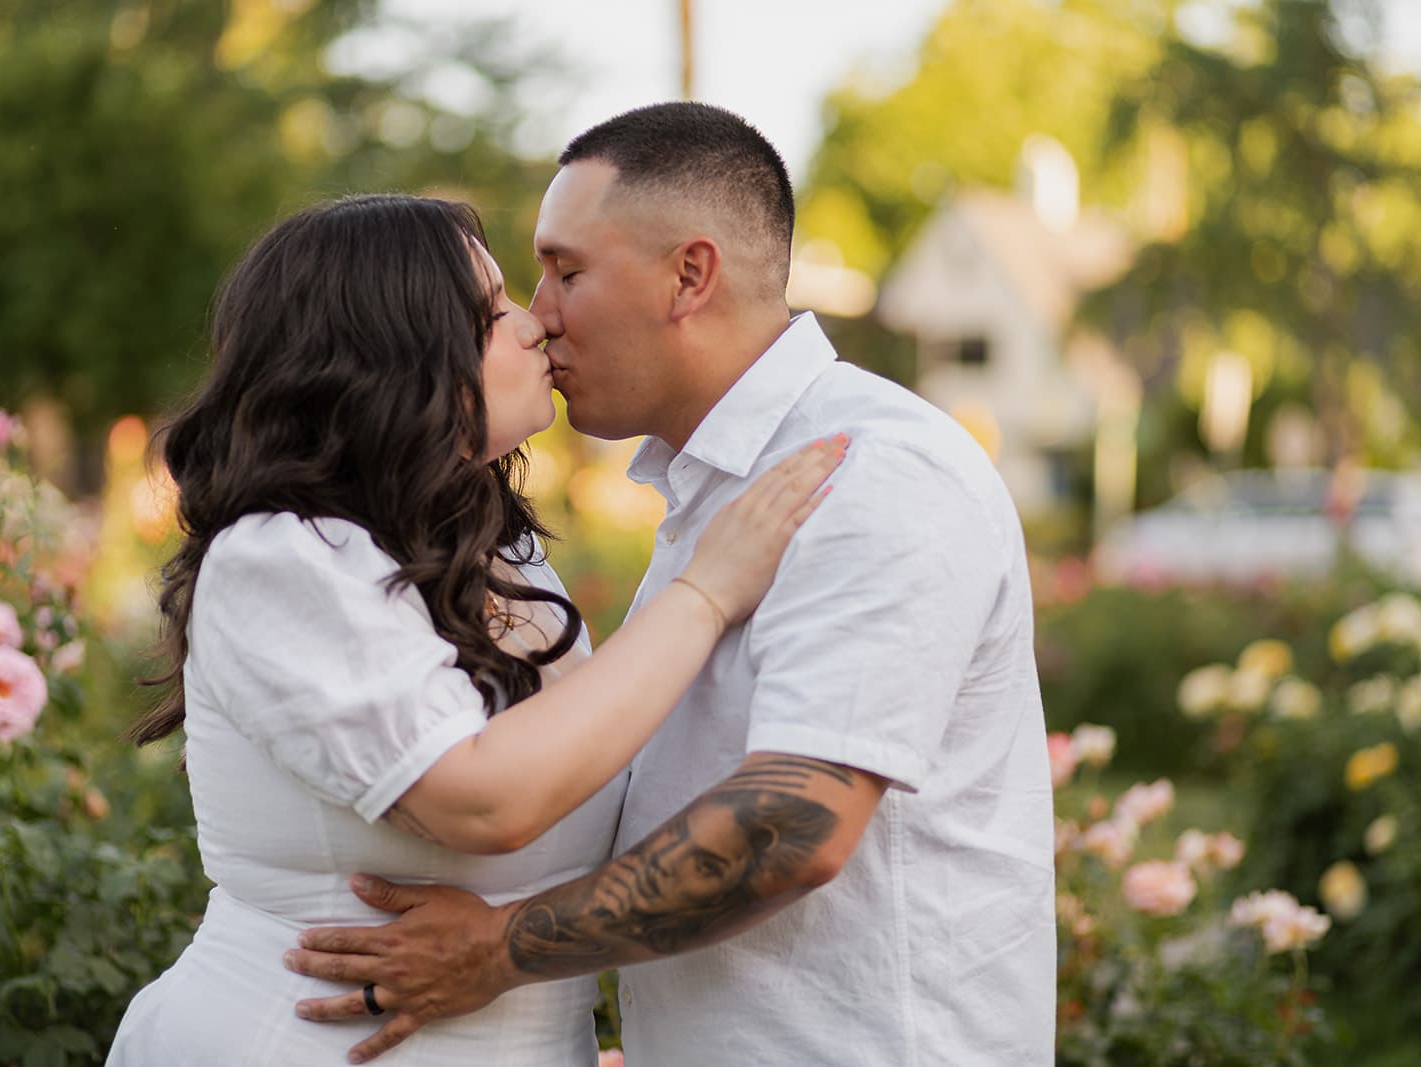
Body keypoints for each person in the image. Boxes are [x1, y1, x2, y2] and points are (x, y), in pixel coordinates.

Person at [284, 103, 1057, 1066]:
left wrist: (498, 951)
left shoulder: (864, 473)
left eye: (567, 270)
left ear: (689, 275)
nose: (538, 314)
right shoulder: (724, 488)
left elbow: (795, 821)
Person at [105, 193, 843, 1065]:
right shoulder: (282, 557)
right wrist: (706, 591)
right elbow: (484, 799)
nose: (534, 325)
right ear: (394, 355)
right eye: (491, 311)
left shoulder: (492, 546)